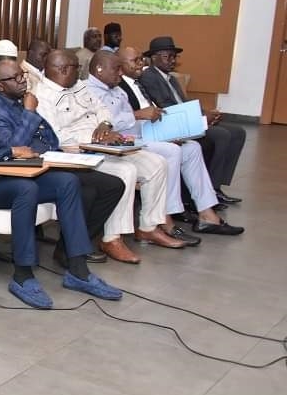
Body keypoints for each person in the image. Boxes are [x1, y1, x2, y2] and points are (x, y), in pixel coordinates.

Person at [0, 53, 122, 309]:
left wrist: (15, 153)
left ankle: (78, 270)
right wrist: (9, 153)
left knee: (66, 182)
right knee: (25, 189)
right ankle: (23, 275)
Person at [34, 49, 184, 262]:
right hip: (77, 152)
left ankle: (149, 226)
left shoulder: (80, 86)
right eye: (77, 67)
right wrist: (96, 138)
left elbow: (103, 110)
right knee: (126, 171)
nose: (80, 71)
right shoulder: (42, 96)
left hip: (103, 144)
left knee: (156, 163)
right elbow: (58, 137)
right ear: (63, 69)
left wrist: (105, 125)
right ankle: (112, 238)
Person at [0, 59, 125, 265]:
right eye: (15, 78)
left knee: (114, 185)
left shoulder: (20, 99)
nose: (23, 81)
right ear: (0, 86)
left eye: (22, 75)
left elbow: (49, 136)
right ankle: (70, 251)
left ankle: (73, 245)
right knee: (86, 191)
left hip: (52, 159)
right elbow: (15, 148)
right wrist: (30, 112)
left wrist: (60, 153)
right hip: (31, 168)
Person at [101, 49, 243, 236]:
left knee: (192, 147)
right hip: (135, 134)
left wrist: (171, 130)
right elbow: (120, 121)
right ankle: (165, 214)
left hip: (149, 129)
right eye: (133, 61)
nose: (139, 64)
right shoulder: (119, 85)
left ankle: (206, 214)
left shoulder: (132, 84)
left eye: (140, 59)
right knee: (173, 150)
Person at [137, 36, 246, 205]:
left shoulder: (171, 78)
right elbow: (166, 106)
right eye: (167, 56)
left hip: (188, 117)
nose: (172, 61)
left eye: (174, 57)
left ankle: (218, 183)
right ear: (153, 57)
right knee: (222, 136)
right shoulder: (149, 76)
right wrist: (201, 118)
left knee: (238, 132)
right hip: (175, 122)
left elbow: (184, 102)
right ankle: (213, 188)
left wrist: (206, 113)